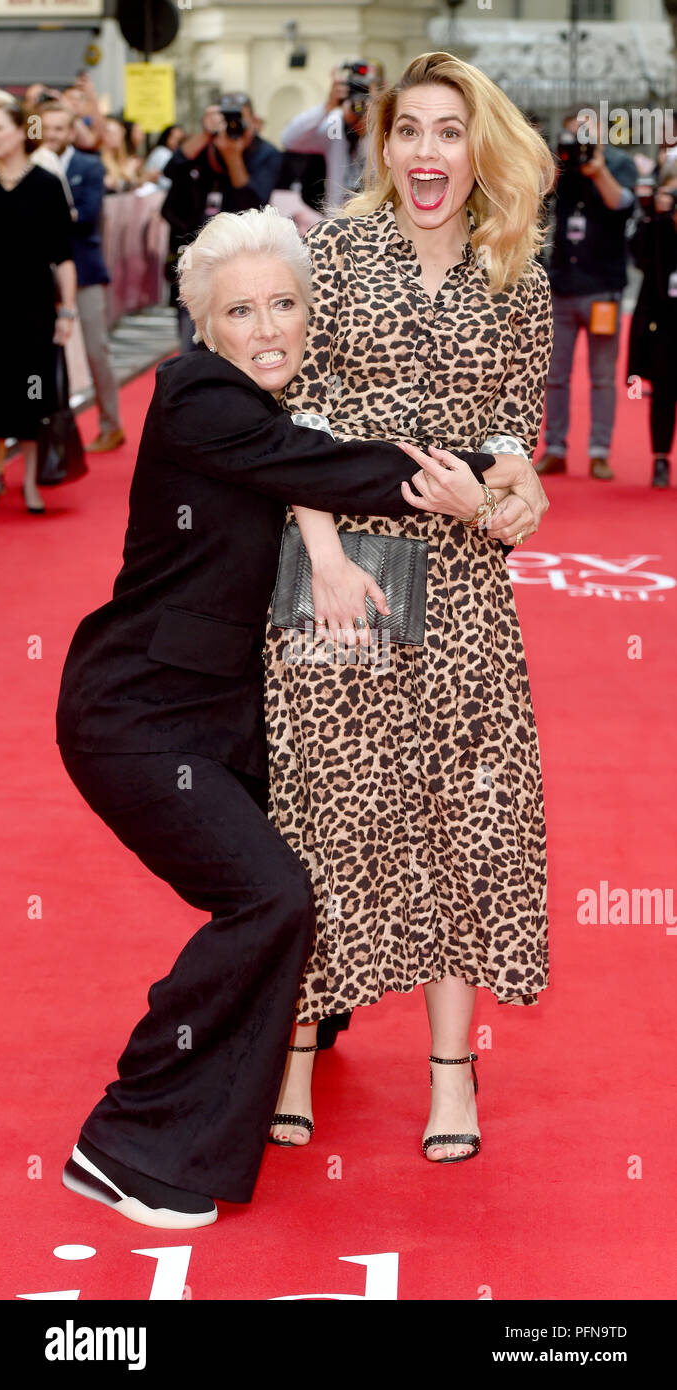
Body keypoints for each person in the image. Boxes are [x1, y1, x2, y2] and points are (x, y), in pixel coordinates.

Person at [54, 205, 529, 1229]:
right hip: (138, 718)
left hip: (215, 722)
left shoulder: (254, 404)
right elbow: (333, 467)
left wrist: (491, 454)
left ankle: (303, 1035)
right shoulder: (198, 394)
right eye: (241, 311)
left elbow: (312, 453)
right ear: (202, 323)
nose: (267, 328)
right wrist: (488, 472)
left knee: (297, 877)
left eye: (283, 305)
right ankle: (125, 1141)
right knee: (270, 898)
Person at [262, 50, 554, 1163]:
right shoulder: (332, 256)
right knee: (321, 812)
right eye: (408, 130)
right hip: (339, 566)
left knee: (462, 817)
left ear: (478, 148)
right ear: (383, 146)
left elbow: (516, 442)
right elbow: (291, 421)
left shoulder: (516, 272)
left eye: (448, 130)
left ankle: (451, 1075)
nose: (426, 151)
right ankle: (292, 1053)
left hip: (466, 584)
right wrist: (325, 558)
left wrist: (497, 503)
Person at [537, 107, 637, 481]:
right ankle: (555, 448)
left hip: (603, 288)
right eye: (573, 132)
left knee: (602, 377)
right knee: (555, 375)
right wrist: (555, 164)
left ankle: (599, 451)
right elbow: (537, 197)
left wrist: (597, 169)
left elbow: (620, 203)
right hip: (562, 285)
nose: (579, 139)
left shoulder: (619, 163)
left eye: (586, 131)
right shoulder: (563, 165)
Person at [0, 97, 76, 515]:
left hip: (33, 308)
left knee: (32, 394)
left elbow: (63, 255)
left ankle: (29, 482)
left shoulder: (46, 184)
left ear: (21, 131)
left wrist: (68, 311)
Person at [162, 97, 283, 352]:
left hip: (241, 255)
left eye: (239, 120)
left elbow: (253, 203)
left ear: (254, 122)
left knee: (236, 331)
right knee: (192, 334)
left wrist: (232, 156)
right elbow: (171, 170)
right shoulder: (205, 147)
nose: (232, 126)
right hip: (196, 252)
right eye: (226, 119)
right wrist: (206, 134)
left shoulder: (267, 154)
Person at [41, 102, 125, 453]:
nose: (52, 135)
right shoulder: (31, 165)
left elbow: (87, 216)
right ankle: (45, 434)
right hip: (41, 272)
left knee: (96, 350)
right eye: (46, 128)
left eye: (59, 128)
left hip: (86, 270)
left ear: (72, 130)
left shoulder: (89, 165)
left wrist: (44, 214)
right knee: (41, 355)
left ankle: (111, 425)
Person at [627, 165, 677, 488]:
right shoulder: (655, 227)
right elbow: (637, 257)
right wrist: (654, 216)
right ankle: (660, 458)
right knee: (663, 393)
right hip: (663, 324)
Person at [280, 63, 380, 210]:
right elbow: (289, 139)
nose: (359, 105)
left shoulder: (383, 129)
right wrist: (329, 105)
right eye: (353, 96)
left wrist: (378, 115)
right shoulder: (335, 127)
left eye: (365, 96)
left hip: (375, 215)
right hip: (338, 215)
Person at [101, 115, 143, 192]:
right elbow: (105, 184)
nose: (114, 136)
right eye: (110, 132)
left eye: (117, 132)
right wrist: (125, 173)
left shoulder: (121, 157)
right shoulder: (98, 159)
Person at [143, 123, 185, 188]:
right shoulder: (163, 152)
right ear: (166, 137)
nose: (176, 142)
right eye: (173, 138)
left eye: (179, 140)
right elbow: (165, 182)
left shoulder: (160, 151)